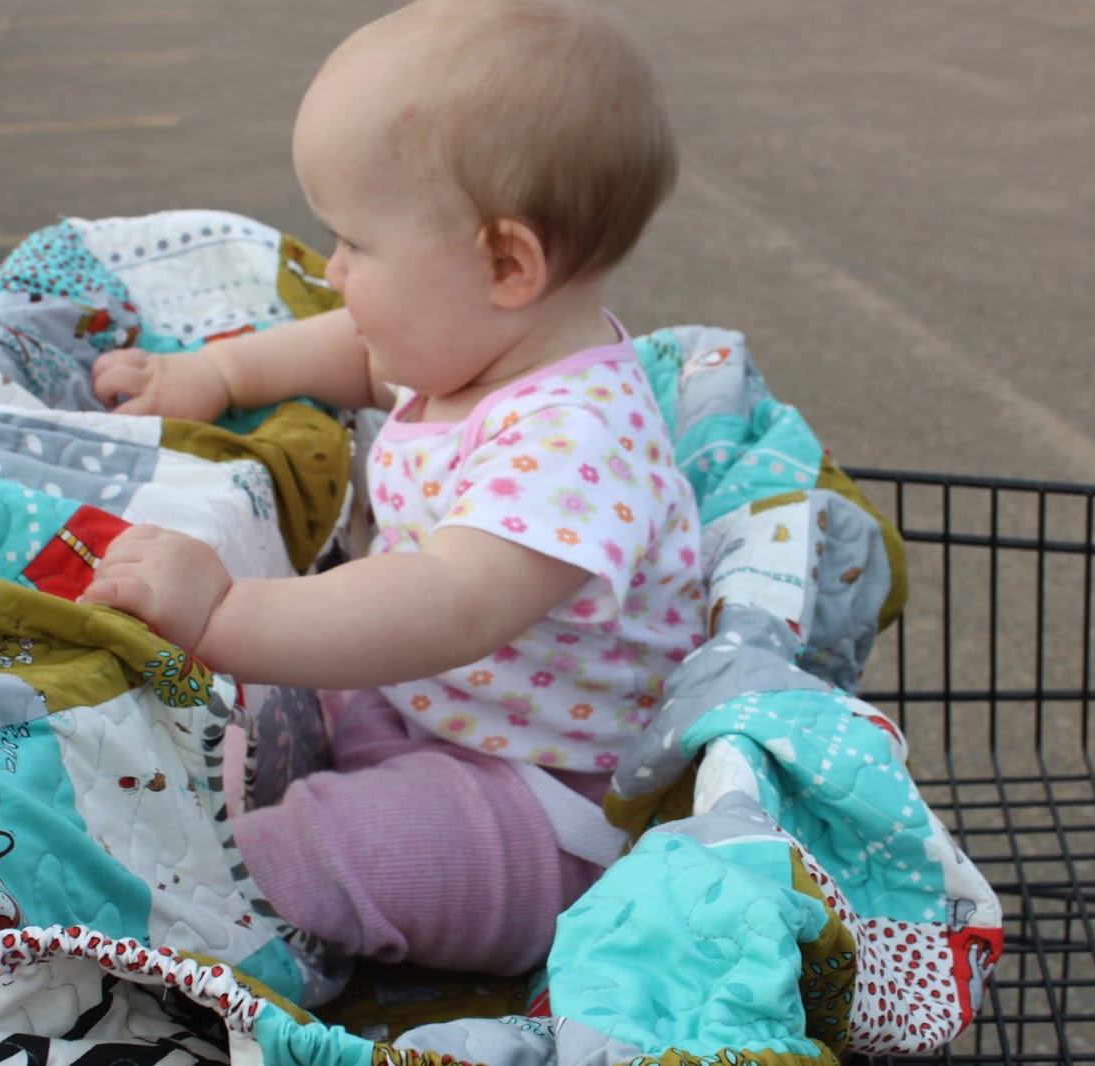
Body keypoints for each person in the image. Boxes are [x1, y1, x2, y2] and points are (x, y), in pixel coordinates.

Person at [83, 0, 703, 976]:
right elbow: (351, 349)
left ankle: (201, 935)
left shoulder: (571, 438)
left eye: (354, 245)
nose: (330, 271)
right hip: (433, 711)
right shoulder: (474, 347)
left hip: (550, 807)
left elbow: (446, 600)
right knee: (238, 733)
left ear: (505, 262)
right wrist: (220, 373)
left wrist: (225, 608)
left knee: (309, 849)